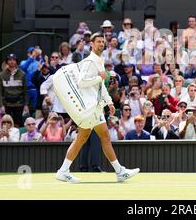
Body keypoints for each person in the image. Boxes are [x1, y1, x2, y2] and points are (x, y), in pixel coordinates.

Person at [53, 33, 140, 183]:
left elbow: (100, 85)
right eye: (98, 41)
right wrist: (100, 77)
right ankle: (119, 171)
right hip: (91, 108)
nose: (101, 43)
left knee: (87, 137)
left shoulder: (99, 61)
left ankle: (63, 170)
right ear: (92, 44)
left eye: (102, 41)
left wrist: (109, 102)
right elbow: (82, 82)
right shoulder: (90, 62)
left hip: (95, 107)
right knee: (94, 137)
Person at [0, 53, 29, 128]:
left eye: (13, 60)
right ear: (7, 62)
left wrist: (26, 104)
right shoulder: (2, 75)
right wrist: (1, 105)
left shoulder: (22, 74)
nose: (12, 61)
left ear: (16, 62)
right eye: (10, 60)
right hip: (7, 104)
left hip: (19, 104)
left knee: (17, 124)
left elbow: (25, 90)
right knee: (6, 124)